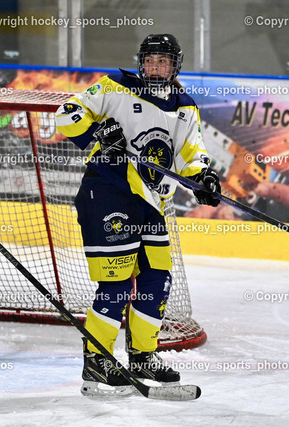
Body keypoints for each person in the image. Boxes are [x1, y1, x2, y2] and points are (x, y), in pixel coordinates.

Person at [55, 34, 220, 396]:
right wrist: (99, 133)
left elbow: (192, 153)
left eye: (164, 62)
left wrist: (203, 178)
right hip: (107, 192)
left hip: (151, 202)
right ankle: (97, 360)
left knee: (156, 279)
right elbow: (67, 113)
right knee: (115, 284)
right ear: (141, 62)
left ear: (175, 66)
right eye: (150, 61)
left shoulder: (184, 106)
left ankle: (143, 355)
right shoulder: (116, 85)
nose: (156, 68)